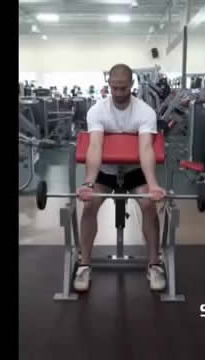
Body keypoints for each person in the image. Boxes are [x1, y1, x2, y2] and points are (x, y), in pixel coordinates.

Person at [74, 63, 167, 292]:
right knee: (89, 205)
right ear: (108, 85)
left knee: (148, 204)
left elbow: (146, 150)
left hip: (134, 171)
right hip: (106, 172)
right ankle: (85, 264)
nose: (118, 93)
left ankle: (154, 264)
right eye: (114, 88)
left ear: (131, 85)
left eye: (123, 88)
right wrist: (88, 183)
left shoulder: (145, 112)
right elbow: (95, 146)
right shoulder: (97, 110)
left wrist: (153, 185)